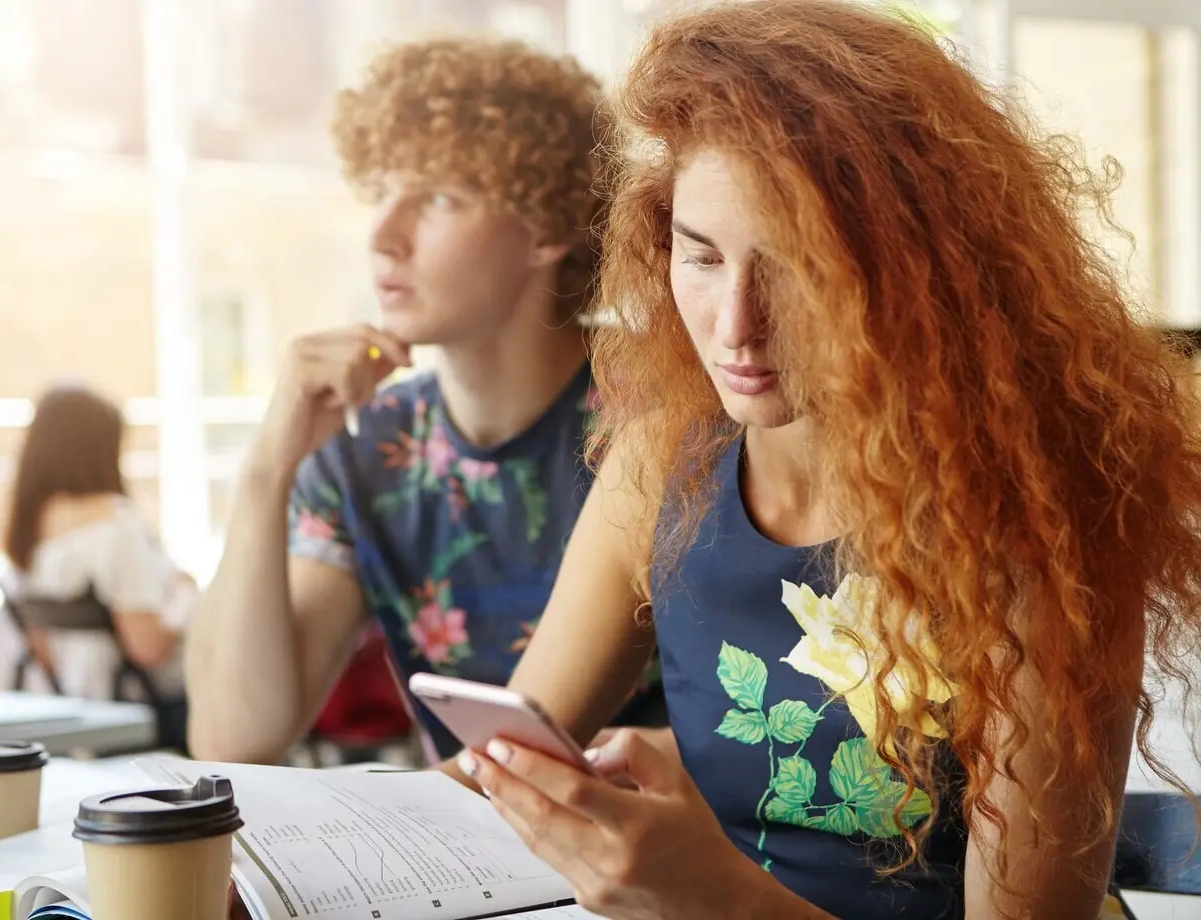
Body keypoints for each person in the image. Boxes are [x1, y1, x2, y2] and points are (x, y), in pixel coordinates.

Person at [453, 3, 1201, 919]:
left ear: (919, 273)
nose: (736, 327)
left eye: (795, 269)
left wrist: (716, 896)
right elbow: (497, 762)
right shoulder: (663, 462)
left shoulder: (1035, 524)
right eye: (701, 257)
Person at [186, 37, 667, 765]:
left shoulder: (665, 415)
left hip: (652, 829)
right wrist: (266, 471)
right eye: (382, 191)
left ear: (548, 225)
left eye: (439, 197)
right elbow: (233, 740)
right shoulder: (369, 448)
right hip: (463, 830)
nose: (383, 237)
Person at [2, 385, 195, 749]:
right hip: (154, 713)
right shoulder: (115, 527)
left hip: (77, 712)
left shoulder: (27, 533)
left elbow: (45, 656)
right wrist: (186, 595)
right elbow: (149, 648)